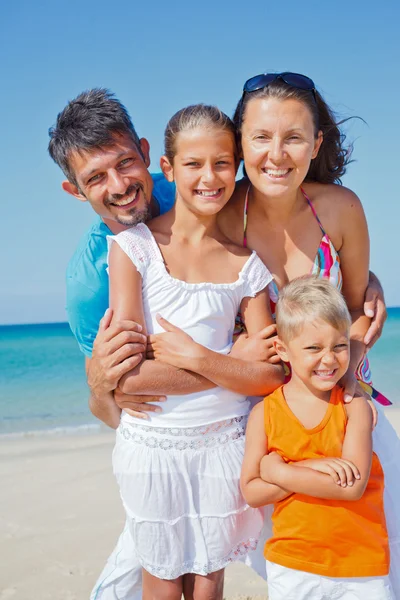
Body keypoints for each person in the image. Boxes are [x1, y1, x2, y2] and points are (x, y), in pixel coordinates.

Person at [47, 87, 389, 599]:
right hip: (187, 433)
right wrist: (107, 384)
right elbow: (117, 394)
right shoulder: (97, 273)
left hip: (256, 420)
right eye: (96, 177)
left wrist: (358, 285)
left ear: (148, 158)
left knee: (306, 558)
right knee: (142, 570)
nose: (119, 186)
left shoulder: (208, 191)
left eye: (124, 164)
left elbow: (295, 236)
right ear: (75, 190)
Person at [142, 71, 400, 594]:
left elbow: (356, 305)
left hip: (346, 407)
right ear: (240, 143)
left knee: (375, 557)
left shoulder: (341, 208)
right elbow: (155, 248)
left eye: (294, 137)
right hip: (263, 423)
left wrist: (354, 345)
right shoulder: (217, 214)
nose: (276, 154)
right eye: (260, 137)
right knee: (288, 569)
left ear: (316, 143)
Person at [107, 104, 282, 600]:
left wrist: (196, 356)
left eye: (223, 163)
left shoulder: (247, 265)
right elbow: (128, 379)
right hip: (153, 446)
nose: (210, 177)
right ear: (167, 168)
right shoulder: (134, 249)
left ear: (237, 167)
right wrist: (232, 361)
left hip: (223, 445)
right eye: (194, 164)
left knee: (208, 587)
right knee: (161, 584)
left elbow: (269, 376)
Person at [241, 276, 393, 600]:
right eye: (313, 348)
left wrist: (282, 472)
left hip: (361, 566)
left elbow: (352, 486)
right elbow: (252, 492)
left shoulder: (354, 409)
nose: (329, 359)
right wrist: (319, 467)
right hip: (293, 565)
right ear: (283, 349)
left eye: (339, 346)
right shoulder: (264, 414)